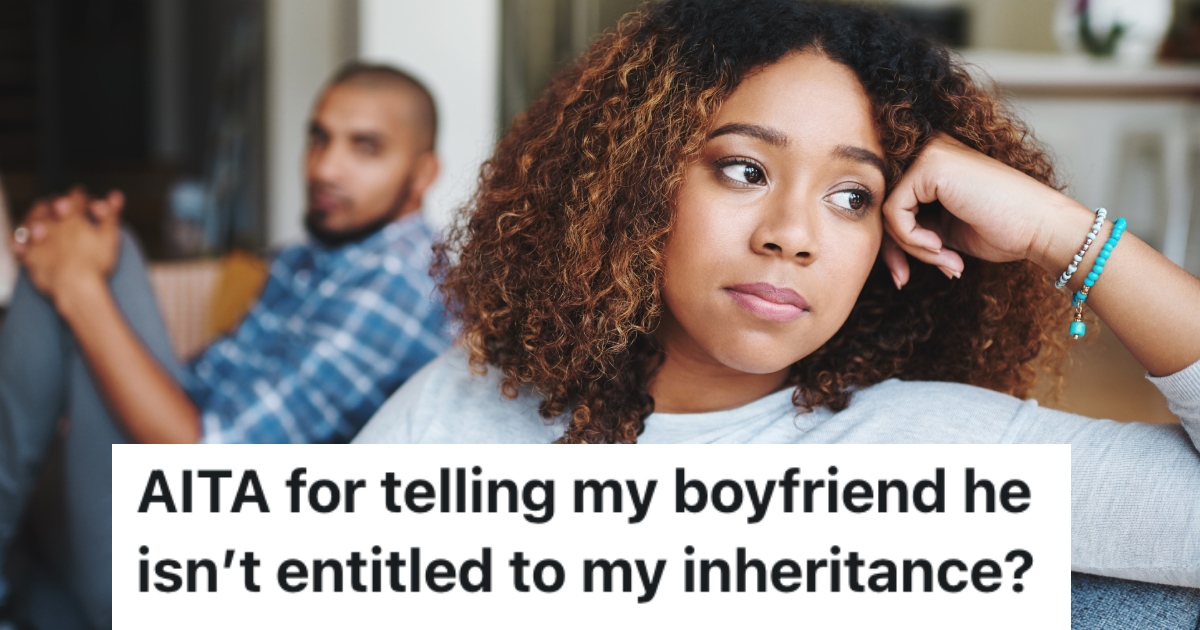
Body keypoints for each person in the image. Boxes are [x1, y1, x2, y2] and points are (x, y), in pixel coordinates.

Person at [352, 1, 1200, 627]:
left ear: (891, 236)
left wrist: (1063, 233)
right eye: (745, 170)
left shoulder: (927, 452)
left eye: (851, 196)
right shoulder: (463, 407)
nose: (792, 235)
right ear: (637, 186)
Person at [0, 62, 451, 628]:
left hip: (208, 565)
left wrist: (80, 286)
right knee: (78, 243)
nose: (324, 168)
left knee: (104, 256)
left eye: (366, 148)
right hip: (163, 515)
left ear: (422, 173)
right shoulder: (308, 260)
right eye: (319, 138)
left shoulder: (399, 282)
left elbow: (207, 464)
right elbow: (195, 388)